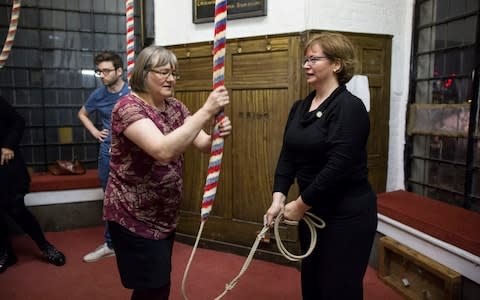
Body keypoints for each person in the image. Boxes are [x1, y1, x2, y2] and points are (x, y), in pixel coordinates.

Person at [103, 45, 232, 300]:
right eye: (163, 72)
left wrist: (218, 133)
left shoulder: (175, 107)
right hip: (133, 217)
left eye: (173, 73)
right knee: (154, 287)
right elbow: (162, 150)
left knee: (156, 286)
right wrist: (206, 110)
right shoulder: (128, 108)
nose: (171, 79)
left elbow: (203, 144)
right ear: (143, 73)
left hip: (164, 215)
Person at [264, 32, 377, 300]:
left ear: (336, 64)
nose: (306, 65)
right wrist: (278, 198)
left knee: (338, 290)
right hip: (313, 213)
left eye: (314, 59)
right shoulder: (300, 107)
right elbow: (287, 156)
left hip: (346, 216)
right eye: (305, 60)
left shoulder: (350, 108)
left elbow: (338, 167)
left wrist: (301, 204)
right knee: (313, 287)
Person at [0, 95, 66, 273]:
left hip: (5, 165)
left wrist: (8, 145)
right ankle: (7, 254)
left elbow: (18, 121)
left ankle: (45, 247)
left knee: (17, 210)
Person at [78, 51, 130, 263]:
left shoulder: (133, 91)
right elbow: (82, 113)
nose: (102, 75)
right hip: (108, 151)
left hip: (133, 151)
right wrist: (95, 132)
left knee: (132, 195)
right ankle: (110, 244)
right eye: (99, 71)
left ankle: (131, 243)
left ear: (119, 71)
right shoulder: (98, 95)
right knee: (110, 198)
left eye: (107, 71)